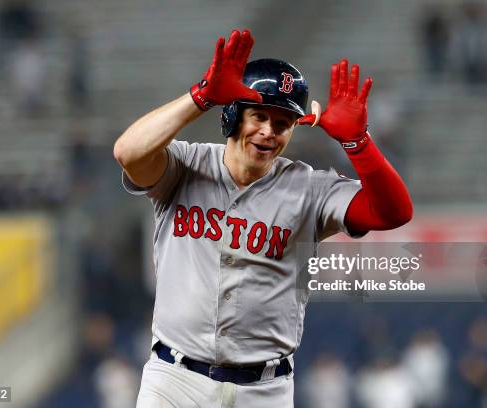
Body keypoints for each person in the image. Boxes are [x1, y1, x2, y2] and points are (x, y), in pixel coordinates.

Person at [113, 29, 412, 407]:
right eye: (259, 115)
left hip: (264, 389)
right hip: (175, 381)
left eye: (283, 123)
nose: (268, 131)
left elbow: (394, 212)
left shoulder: (310, 188)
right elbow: (128, 153)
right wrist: (200, 96)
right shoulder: (184, 166)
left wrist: (359, 144)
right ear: (235, 115)